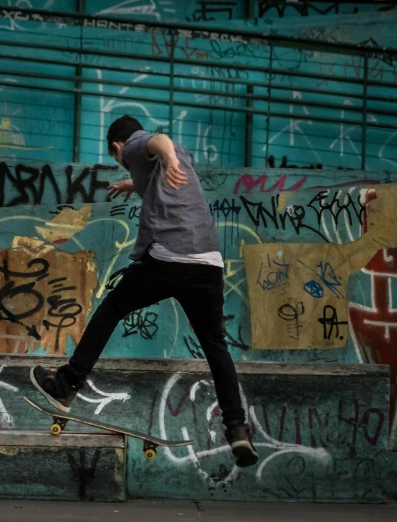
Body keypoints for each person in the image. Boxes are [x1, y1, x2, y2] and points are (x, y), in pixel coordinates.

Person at [30, 115, 259, 467]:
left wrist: (165, 157)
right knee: (215, 345)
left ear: (117, 148)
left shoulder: (138, 144)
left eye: (118, 158)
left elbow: (157, 143)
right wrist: (131, 183)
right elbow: (162, 179)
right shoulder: (174, 158)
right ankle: (237, 428)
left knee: (110, 310)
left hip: (170, 259)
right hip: (209, 262)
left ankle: (67, 385)